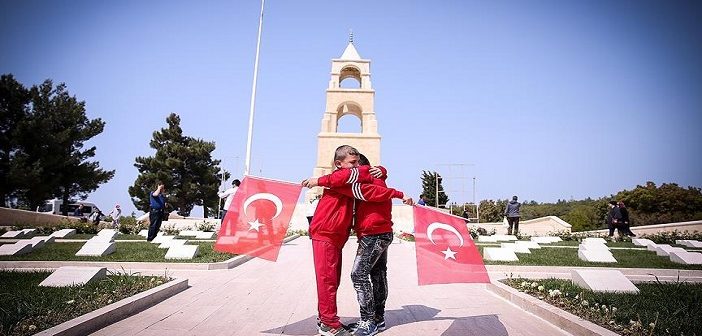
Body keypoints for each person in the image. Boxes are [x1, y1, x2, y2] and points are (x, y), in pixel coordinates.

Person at [300, 145, 380, 336]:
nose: (357, 167)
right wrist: (317, 180)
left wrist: (381, 170)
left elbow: (366, 178)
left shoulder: (347, 178)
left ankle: (325, 319)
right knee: (327, 280)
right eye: (352, 163)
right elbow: (348, 177)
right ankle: (328, 324)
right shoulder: (340, 179)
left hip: (335, 236)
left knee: (332, 280)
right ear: (338, 164)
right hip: (326, 233)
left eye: (358, 163)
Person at [344, 154, 412, 336]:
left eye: (354, 167)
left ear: (363, 168)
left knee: (358, 275)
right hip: (380, 233)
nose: (349, 172)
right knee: (378, 275)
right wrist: (382, 171)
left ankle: (368, 321)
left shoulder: (365, 184)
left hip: (374, 235)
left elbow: (374, 193)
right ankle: (378, 320)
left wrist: (320, 182)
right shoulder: (376, 179)